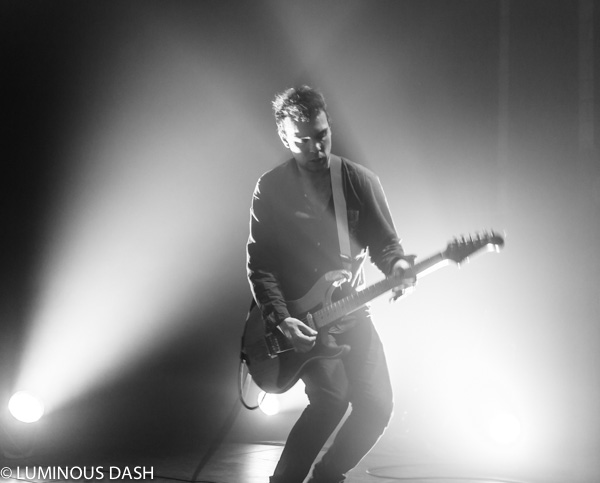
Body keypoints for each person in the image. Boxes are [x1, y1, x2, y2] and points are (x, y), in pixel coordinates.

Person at [246, 85, 415, 483]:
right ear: (285, 138)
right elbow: (261, 264)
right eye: (302, 140)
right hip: (299, 321)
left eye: (321, 135)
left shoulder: (358, 181)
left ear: (329, 126)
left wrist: (398, 265)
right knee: (330, 402)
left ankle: (327, 477)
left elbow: (386, 244)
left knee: (378, 406)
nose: (315, 147)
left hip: (352, 313)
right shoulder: (271, 188)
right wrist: (281, 319)